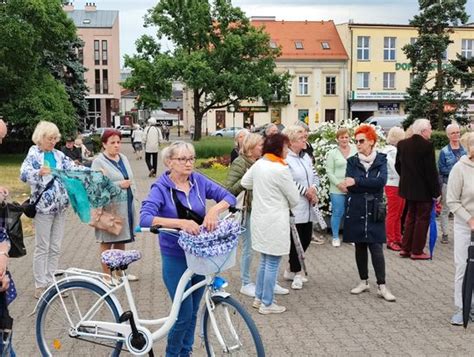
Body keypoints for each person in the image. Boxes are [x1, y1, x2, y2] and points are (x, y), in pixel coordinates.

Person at [140, 141, 236, 357]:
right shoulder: (161, 188)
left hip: (199, 256)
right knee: (183, 314)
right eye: (182, 159)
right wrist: (180, 223)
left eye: (191, 158)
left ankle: (186, 352)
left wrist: (214, 212)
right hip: (175, 257)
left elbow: (229, 197)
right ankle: (172, 354)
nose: (188, 163)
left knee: (192, 312)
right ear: (169, 162)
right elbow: (145, 219)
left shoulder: (198, 180)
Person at [20, 121, 87, 298]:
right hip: (43, 208)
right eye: (50, 139)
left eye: (55, 139)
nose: (54, 142)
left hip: (60, 207)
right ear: (41, 138)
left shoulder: (58, 155)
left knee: (56, 246)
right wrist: (38, 173)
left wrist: (92, 170)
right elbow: (23, 174)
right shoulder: (34, 153)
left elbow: (73, 168)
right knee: (43, 246)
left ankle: (51, 281)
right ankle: (40, 285)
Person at [241, 133, 299, 314]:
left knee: (265, 260)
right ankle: (267, 303)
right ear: (278, 148)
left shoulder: (259, 164)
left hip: (259, 218)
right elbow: (295, 198)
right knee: (272, 261)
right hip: (275, 220)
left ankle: (259, 297)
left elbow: (245, 182)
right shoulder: (281, 170)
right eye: (286, 147)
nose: (287, 151)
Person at [343, 124, 396, 302]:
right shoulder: (352, 161)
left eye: (361, 141)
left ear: (371, 141)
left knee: (376, 247)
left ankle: (381, 285)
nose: (357, 144)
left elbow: (380, 182)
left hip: (374, 207)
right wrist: (362, 183)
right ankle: (363, 281)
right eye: (356, 141)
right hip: (357, 206)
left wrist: (357, 181)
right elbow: (350, 187)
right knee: (360, 246)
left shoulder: (381, 159)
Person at [91, 129, 138, 282]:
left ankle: (120, 273)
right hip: (109, 208)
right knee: (107, 242)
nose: (116, 146)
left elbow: (130, 178)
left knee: (121, 239)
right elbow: (96, 185)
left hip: (125, 206)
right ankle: (106, 276)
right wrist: (119, 185)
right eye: (112, 143)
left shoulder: (123, 158)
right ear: (104, 144)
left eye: (118, 142)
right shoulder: (99, 161)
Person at [395, 119, 441, 260]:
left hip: (408, 188)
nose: (431, 131)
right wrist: (436, 192)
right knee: (422, 219)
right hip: (423, 190)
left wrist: (406, 178)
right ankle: (417, 250)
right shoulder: (427, 146)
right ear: (423, 131)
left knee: (410, 217)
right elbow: (431, 172)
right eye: (430, 128)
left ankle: (405, 248)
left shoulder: (402, 144)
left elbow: (398, 165)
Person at [225, 133, 263, 297]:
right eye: (260, 145)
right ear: (250, 147)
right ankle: (245, 282)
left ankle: (266, 282)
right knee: (248, 247)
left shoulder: (260, 162)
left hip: (261, 210)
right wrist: (247, 180)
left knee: (263, 246)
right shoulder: (240, 163)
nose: (263, 148)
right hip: (247, 210)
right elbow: (229, 189)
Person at [282, 126, 318, 290]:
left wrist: (314, 190)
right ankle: (297, 272)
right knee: (295, 241)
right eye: (302, 138)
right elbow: (288, 180)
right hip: (295, 205)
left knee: (306, 238)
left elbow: (315, 175)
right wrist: (306, 192)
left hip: (308, 205)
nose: (305, 140)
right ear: (292, 141)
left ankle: (291, 268)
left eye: (305, 137)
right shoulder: (286, 159)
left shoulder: (306, 158)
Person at [447, 133, 474, 325]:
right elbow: (452, 201)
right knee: (463, 266)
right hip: (465, 225)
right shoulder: (460, 168)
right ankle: (462, 306)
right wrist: (469, 219)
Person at [325, 127, 357, 247]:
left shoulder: (355, 150)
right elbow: (329, 171)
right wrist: (339, 185)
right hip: (336, 188)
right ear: (337, 139)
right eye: (341, 137)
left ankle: (350, 236)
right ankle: (335, 237)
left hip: (352, 187)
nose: (344, 139)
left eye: (346, 137)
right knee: (338, 212)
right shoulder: (332, 153)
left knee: (352, 212)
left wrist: (353, 183)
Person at [438, 123, 466, 244]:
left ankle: (464, 232)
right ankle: (445, 233)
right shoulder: (444, 151)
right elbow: (441, 169)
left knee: (464, 209)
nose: (456, 135)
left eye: (458, 132)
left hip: (464, 185)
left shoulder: (465, 150)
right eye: (453, 133)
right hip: (448, 184)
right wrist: (456, 169)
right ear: (448, 135)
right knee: (446, 209)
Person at [382, 127, 406, 251]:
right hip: (394, 184)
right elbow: (396, 168)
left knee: (397, 213)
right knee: (394, 214)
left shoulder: (389, 150)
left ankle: (397, 237)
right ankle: (391, 239)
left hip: (395, 184)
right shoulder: (392, 151)